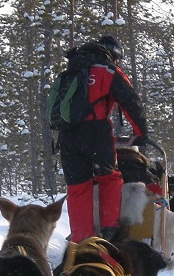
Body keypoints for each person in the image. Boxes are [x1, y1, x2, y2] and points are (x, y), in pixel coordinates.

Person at [56, 35, 148, 242]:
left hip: (67, 136)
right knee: (109, 178)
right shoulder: (107, 70)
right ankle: (109, 232)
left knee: (78, 187)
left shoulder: (70, 71)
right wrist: (140, 134)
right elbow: (131, 102)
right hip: (96, 133)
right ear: (113, 54)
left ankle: (82, 239)